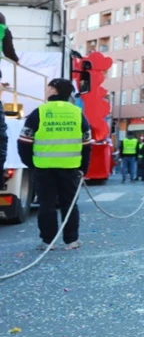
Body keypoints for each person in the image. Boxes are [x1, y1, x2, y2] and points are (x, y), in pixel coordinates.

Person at [17, 78, 92, 250]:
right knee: (70, 204)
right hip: (71, 167)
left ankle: (48, 241)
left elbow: (24, 141)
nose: (46, 90)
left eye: (48, 88)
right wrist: (83, 168)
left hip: (44, 168)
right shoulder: (77, 113)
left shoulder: (39, 112)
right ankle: (71, 240)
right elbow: (87, 144)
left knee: (46, 205)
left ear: (54, 91)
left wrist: (31, 163)